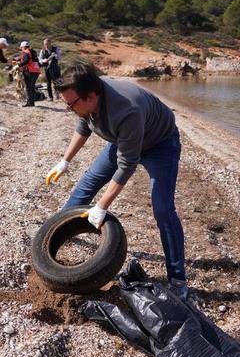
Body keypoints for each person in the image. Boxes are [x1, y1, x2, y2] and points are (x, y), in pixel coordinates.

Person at [45, 61, 188, 298]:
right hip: (123, 140)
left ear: (91, 96)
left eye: (71, 104)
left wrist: (101, 207)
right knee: (89, 182)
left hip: (160, 144)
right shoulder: (89, 99)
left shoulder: (126, 109)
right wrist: (65, 161)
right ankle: (53, 236)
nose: (69, 109)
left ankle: (178, 279)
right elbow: (84, 126)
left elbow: (126, 166)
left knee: (163, 209)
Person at [17, 41, 40, 107]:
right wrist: (18, 60)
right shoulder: (33, 52)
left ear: (23, 47)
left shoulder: (26, 52)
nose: (21, 49)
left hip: (29, 71)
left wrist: (18, 65)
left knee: (28, 87)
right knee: (32, 87)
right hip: (36, 71)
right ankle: (32, 103)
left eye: (21, 47)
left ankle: (29, 103)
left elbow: (26, 61)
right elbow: (33, 60)